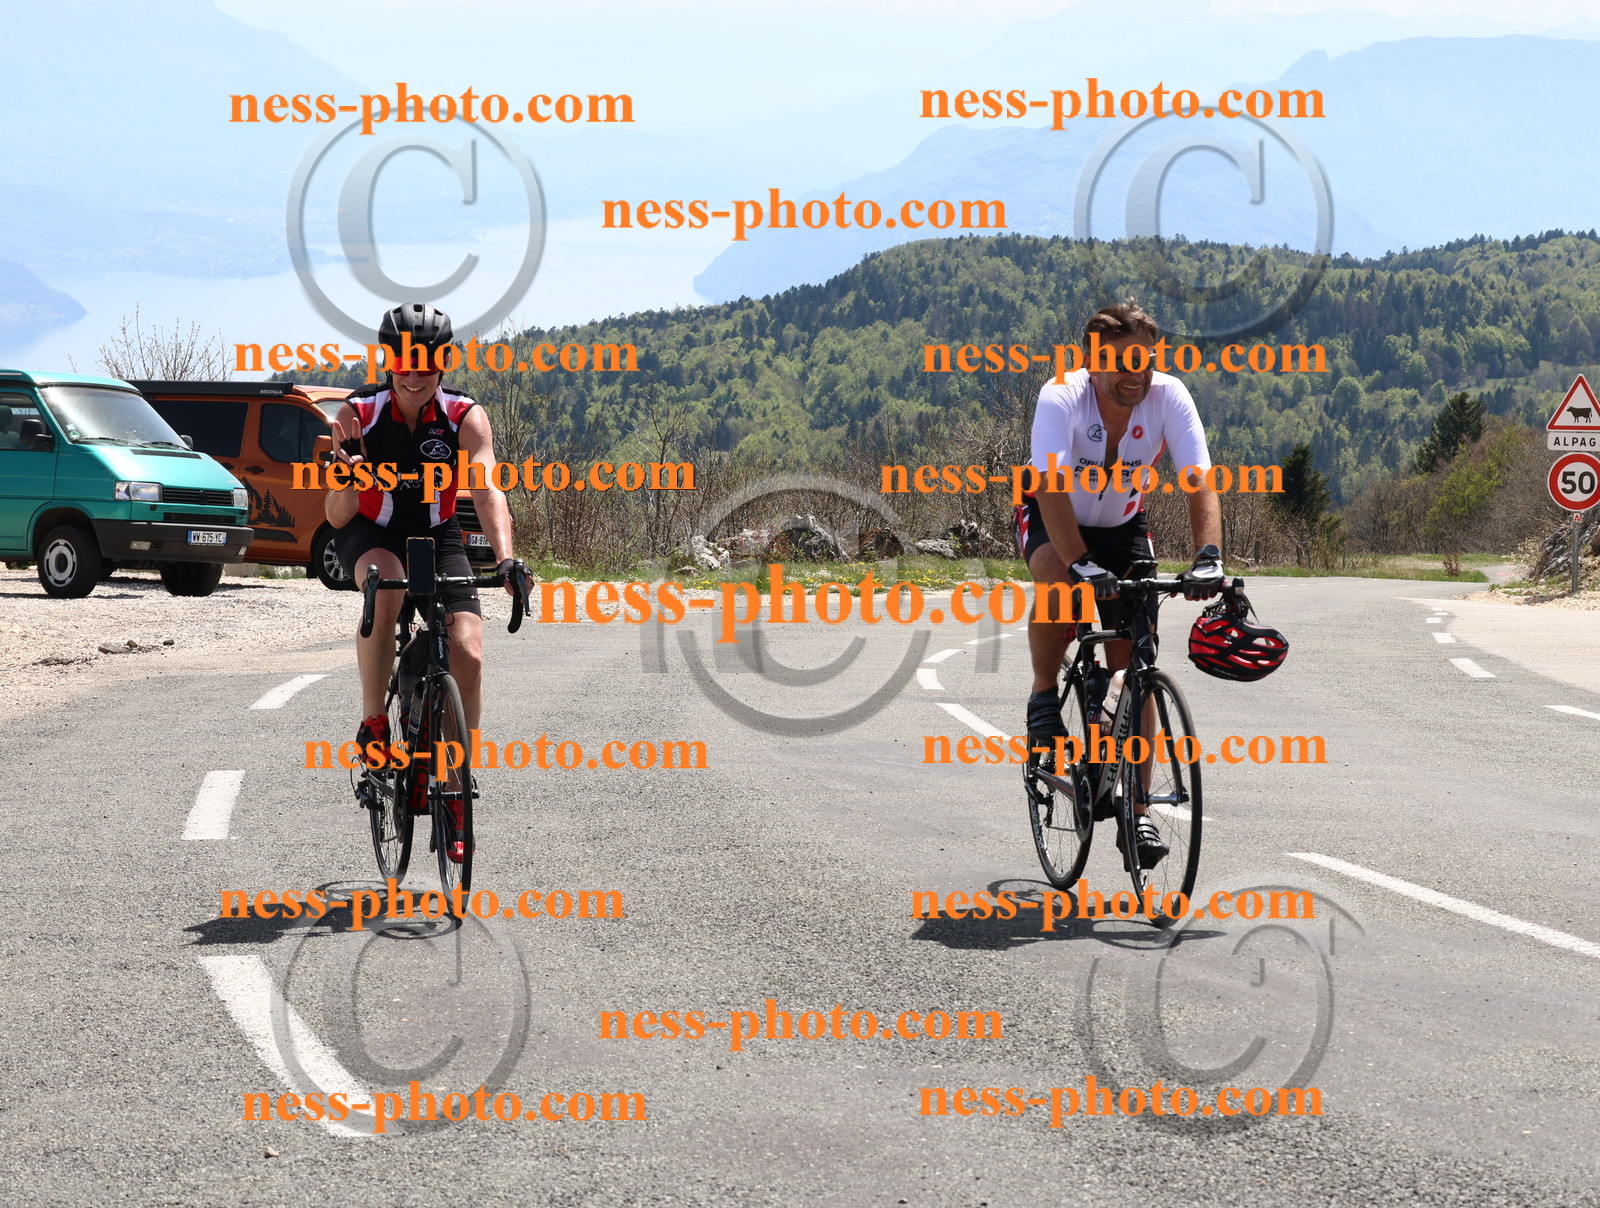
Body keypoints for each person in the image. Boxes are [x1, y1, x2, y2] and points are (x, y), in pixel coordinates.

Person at [1016, 301, 1224, 869]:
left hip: (1124, 526)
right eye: (1122, 362)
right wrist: (1079, 561)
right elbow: (1051, 486)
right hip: (1053, 515)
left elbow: (1198, 477)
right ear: (1093, 360)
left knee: (1136, 663)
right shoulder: (1061, 396)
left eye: (1146, 360)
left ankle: (1135, 811)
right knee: (1059, 583)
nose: (1136, 373)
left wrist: (1208, 556)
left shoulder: (1169, 396)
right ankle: (1042, 696)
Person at [327, 303, 525, 863]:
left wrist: (507, 561)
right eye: (403, 363)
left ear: (443, 364)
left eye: (427, 364)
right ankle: (374, 722)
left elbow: (486, 491)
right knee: (386, 587)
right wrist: (346, 477)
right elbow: (337, 515)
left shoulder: (465, 415)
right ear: (388, 362)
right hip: (371, 530)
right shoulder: (357, 414)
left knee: (468, 650)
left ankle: (456, 781)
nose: (414, 375)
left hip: (439, 531)